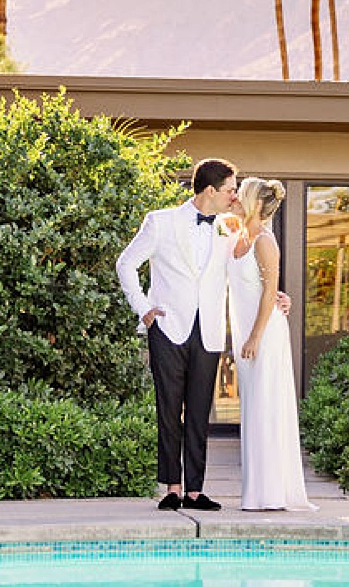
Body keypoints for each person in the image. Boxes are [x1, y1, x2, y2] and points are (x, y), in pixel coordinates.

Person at [115, 157, 240, 511]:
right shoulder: (160, 222)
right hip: (168, 328)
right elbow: (126, 263)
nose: (235, 196)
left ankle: (196, 491)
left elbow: (247, 267)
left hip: (210, 330)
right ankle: (171, 487)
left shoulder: (230, 227)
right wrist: (143, 309)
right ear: (211, 190)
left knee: (199, 413)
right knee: (169, 411)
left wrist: (275, 293)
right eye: (231, 190)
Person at [225, 176, 316, 512]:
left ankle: (270, 493)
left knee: (266, 407)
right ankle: (257, 491)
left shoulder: (265, 240)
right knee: (252, 408)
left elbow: (268, 291)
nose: (233, 197)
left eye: (239, 194)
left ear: (251, 201)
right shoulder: (236, 235)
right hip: (247, 333)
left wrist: (254, 336)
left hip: (264, 334)